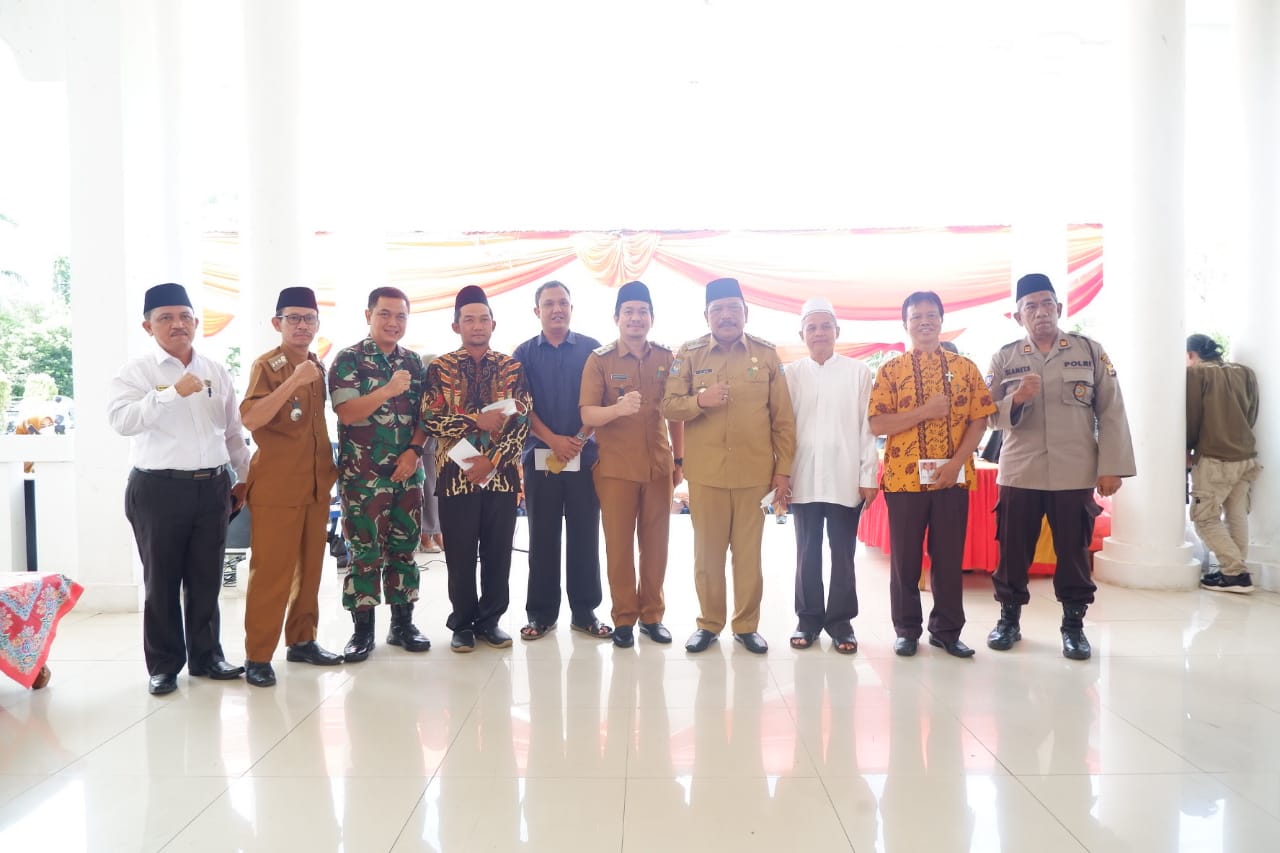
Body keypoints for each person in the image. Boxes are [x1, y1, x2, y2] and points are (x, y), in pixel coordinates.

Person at [107, 282, 249, 695]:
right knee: (162, 581)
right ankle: (164, 665)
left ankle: (208, 657)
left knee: (206, 578)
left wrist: (244, 476)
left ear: (196, 323)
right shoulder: (136, 372)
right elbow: (122, 422)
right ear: (148, 326)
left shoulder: (215, 369)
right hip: (158, 489)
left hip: (212, 487)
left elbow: (232, 430)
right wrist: (170, 394)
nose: (177, 324)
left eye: (185, 317)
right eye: (166, 318)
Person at [985, 273, 1136, 660]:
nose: (1040, 312)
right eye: (1030, 307)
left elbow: (1112, 411)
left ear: (1060, 308)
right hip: (1020, 471)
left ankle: (1073, 626)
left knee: (1073, 550)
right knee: (1013, 549)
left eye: (1046, 304)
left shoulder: (1089, 351)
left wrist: (1111, 466)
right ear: (1018, 316)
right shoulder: (1005, 358)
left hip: (1074, 471)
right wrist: (1017, 399)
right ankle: (1008, 620)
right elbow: (986, 414)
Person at [661, 277, 796, 655]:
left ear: (745, 313)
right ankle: (708, 623)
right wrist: (699, 401)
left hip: (755, 475)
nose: (726, 316)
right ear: (706, 315)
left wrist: (783, 470)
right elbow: (668, 406)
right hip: (707, 475)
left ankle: (746, 625)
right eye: (717, 309)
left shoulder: (766, 355)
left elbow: (783, 419)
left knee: (749, 556)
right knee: (707, 556)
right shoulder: (689, 354)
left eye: (733, 309)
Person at [869, 291, 995, 658]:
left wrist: (956, 463)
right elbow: (877, 423)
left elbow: (979, 420)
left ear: (941, 320)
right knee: (905, 560)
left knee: (949, 558)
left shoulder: (965, 368)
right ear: (905, 324)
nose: (924, 321)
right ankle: (907, 630)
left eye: (931, 315)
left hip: (952, 479)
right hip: (904, 480)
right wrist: (924, 412)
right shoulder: (890, 370)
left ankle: (947, 631)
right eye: (916, 316)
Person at [238, 287, 343, 688]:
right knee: (271, 573)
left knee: (310, 569)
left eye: (309, 318)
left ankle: (302, 640)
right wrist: (295, 380)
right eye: (293, 318)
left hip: (315, 484)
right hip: (278, 486)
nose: (302, 325)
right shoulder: (268, 366)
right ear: (277, 323)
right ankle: (258, 655)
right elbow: (252, 418)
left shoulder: (317, 365)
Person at [422, 285, 531, 652]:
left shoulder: (512, 368)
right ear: (456, 326)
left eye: (483, 319)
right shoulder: (439, 368)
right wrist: (475, 421)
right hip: (455, 477)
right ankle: (463, 623)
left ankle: (491, 621)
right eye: (469, 320)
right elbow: (431, 419)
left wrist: (493, 460)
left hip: (501, 478)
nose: (477, 325)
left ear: (493, 324)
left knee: (499, 553)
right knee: (460, 555)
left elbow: (522, 421)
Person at [580, 280, 686, 649]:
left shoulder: (666, 358)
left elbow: (675, 414)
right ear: (617, 318)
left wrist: (679, 459)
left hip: (658, 467)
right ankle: (624, 618)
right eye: (629, 312)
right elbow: (587, 413)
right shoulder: (600, 360)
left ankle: (652, 616)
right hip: (615, 469)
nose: (636, 318)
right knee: (619, 547)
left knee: (656, 546)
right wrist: (617, 409)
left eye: (642, 312)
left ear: (651, 318)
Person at [328, 286, 432, 661]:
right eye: (384, 314)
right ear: (368, 315)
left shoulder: (414, 363)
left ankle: (403, 625)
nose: (393, 322)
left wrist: (414, 451)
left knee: (405, 548)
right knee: (365, 551)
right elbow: (347, 413)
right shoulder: (349, 360)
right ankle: (362, 631)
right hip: (363, 477)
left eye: (400, 316)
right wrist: (387, 390)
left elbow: (426, 417)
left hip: (407, 473)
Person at [512, 281, 611, 640]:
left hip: (585, 458)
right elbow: (521, 406)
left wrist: (579, 440)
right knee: (542, 536)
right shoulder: (523, 353)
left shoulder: (591, 349)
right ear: (536, 310)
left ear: (572, 308)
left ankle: (585, 612)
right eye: (549, 303)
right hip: (540, 457)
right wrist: (554, 440)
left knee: (585, 535)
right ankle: (541, 614)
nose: (557, 309)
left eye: (563, 303)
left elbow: (601, 401)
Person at [785, 297, 879, 655]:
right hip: (803, 477)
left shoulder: (859, 372)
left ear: (837, 331)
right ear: (802, 335)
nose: (819, 333)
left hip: (845, 476)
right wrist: (781, 475)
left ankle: (841, 623)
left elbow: (868, 428)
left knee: (843, 553)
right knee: (806, 552)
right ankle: (808, 619)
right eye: (812, 327)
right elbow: (781, 429)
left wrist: (868, 475)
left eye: (826, 326)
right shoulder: (790, 374)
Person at [1186, 333, 1260, 594]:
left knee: (1204, 518)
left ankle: (1236, 572)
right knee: (1236, 514)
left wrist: (1187, 447)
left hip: (1215, 457)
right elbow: (1252, 413)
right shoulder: (1245, 373)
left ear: (1190, 354)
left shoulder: (1196, 374)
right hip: (1246, 456)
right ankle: (1233, 573)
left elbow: (1192, 416)